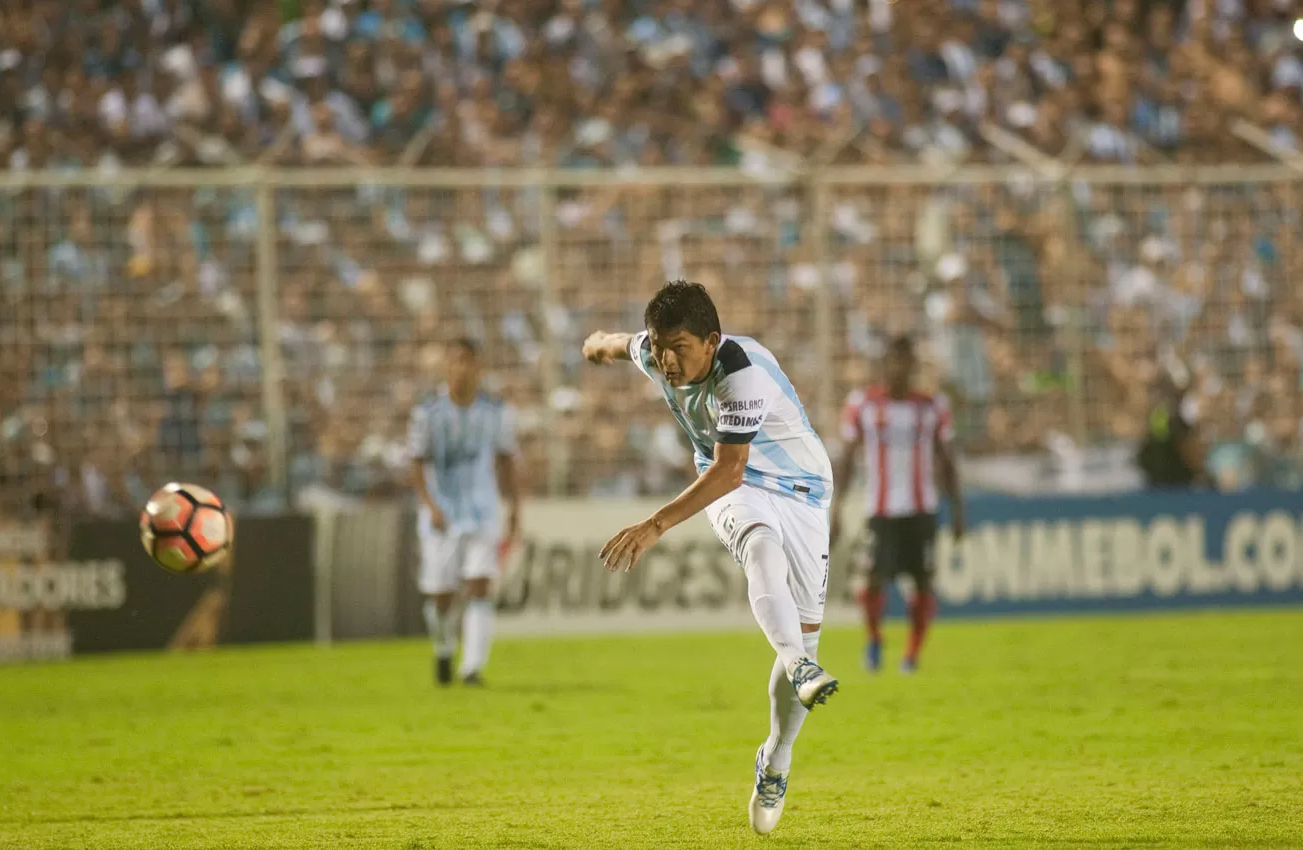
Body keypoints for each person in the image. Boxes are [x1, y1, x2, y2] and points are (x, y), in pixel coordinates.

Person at [582, 280, 838, 836]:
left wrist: (655, 526)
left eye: (680, 347)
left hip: (799, 488)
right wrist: (597, 343)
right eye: (660, 345)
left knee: (808, 626)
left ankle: (775, 758)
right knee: (759, 545)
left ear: (711, 340)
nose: (667, 360)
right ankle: (798, 663)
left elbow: (732, 467)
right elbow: (620, 344)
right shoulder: (654, 353)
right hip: (733, 487)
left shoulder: (740, 373)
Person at [830, 337, 965, 676]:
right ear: (885, 364)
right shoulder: (863, 404)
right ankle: (874, 638)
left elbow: (947, 460)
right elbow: (846, 458)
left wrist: (958, 508)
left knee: (922, 582)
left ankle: (911, 654)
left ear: (913, 366)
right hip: (881, 509)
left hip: (922, 510)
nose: (899, 368)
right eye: (893, 361)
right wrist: (837, 509)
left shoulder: (932, 406)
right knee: (873, 579)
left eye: (905, 362)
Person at [407, 339, 522, 687]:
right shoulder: (427, 413)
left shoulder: (496, 412)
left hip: (483, 510)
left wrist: (514, 507)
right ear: (447, 368)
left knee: (479, 586)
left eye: (467, 361)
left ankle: (471, 667)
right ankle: (444, 648)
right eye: (455, 361)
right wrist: (429, 505)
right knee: (441, 596)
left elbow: (506, 461)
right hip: (442, 514)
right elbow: (416, 463)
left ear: (478, 367)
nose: (461, 368)